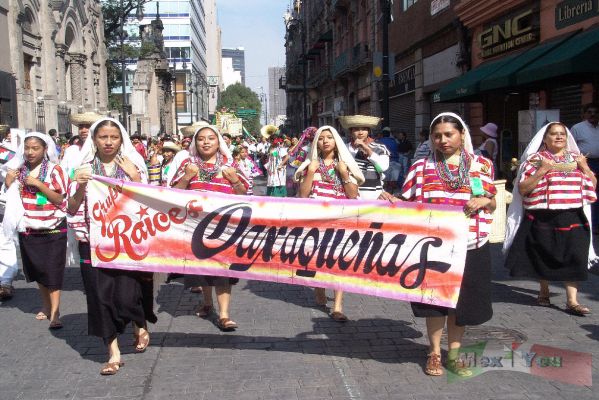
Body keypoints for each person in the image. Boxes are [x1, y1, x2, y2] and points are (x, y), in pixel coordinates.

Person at [381, 112, 496, 376]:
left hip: (471, 244)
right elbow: (407, 200)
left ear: (462, 135)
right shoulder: (422, 167)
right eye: (437, 136)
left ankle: (453, 354)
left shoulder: (481, 165)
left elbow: (492, 201)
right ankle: (434, 352)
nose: (442, 140)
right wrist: (393, 202)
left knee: (461, 303)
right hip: (434, 245)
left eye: (448, 134)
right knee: (435, 301)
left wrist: (484, 201)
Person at [67, 117, 157, 375]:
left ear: (121, 140)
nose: (108, 142)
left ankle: (139, 321)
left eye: (113, 137)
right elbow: (71, 207)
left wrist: (135, 177)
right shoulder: (81, 168)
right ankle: (113, 352)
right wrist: (81, 186)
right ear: (94, 140)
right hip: (93, 242)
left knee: (127, 296)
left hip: (127, 241)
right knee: (99, 297)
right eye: (103, 137)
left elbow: (148, 204)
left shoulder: (133, 164)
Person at [504, 122, 596, 316]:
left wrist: (585, 168)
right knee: (544, 254)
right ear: (545, 139)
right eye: (553, 134)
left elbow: (592, 186)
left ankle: (572, 301)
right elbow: (523, 189)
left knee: (575, 256)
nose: (559, 137)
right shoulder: (534, 161)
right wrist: (542, 170)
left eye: (562, 134)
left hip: (572, 214)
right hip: (544, 216)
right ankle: (544, 291)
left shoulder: (576, 159)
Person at [171, 125, 249, 331]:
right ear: (195, 143)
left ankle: (224, 315)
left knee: (222, 270)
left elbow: (246, 195)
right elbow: (171, 194)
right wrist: (187, 177)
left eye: (210, 138)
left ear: (218, 142)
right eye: (201, 139)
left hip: (224, 228)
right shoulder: (188, 164)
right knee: (203, 269)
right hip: (195, 227)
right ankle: (207, 303)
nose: (205, 142)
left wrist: (234, 180)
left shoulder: (230, 165)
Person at [295, 126, 364, 321]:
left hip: (340, 220)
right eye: (321, 138)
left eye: (329, 138)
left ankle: (338, 306)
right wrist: (310, 172)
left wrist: (343, 174)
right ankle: (319, 289)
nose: (325, 141)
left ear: (336, 142)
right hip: (316, 221)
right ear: (316, 142)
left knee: (339, 261)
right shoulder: (310, 164)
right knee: (317, 259)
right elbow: (303, 194)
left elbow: (352, 194)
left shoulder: (345, 164)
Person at [4, 132, 68, 328]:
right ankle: (46, 305)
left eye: (35, 148)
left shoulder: (55, 170)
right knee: (38, 270)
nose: (30, 152)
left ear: (45, 150)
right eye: (27, 148)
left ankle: (55, 312)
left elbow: (60, 199)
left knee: (53, 270)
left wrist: (39, 184)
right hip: (29, 227)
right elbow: (11, 195)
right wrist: (9, 181)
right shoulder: (20, 170)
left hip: (53, 228)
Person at [340, 115, 390, 200]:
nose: (360, 133)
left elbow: (382, 167)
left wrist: (367, 149)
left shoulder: (379, 148)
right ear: (350, 131)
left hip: (373, 197)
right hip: (348, 196)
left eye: (364, 129)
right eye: (356, 129)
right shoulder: (343, 149)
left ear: (368, 131)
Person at [571, 103, 599, 231]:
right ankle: (589, 223)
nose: (592, 114)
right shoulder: (577, 128)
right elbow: (570, 147)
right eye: (589, 112)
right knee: (588, 191)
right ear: (584, 114)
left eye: (595, 112)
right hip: (586, 163)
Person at [61, 112, 102, 179]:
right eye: (80, 127)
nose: (83, 130)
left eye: (88, 127)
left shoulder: (104, 149)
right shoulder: (71, 150)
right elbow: (63, 172)